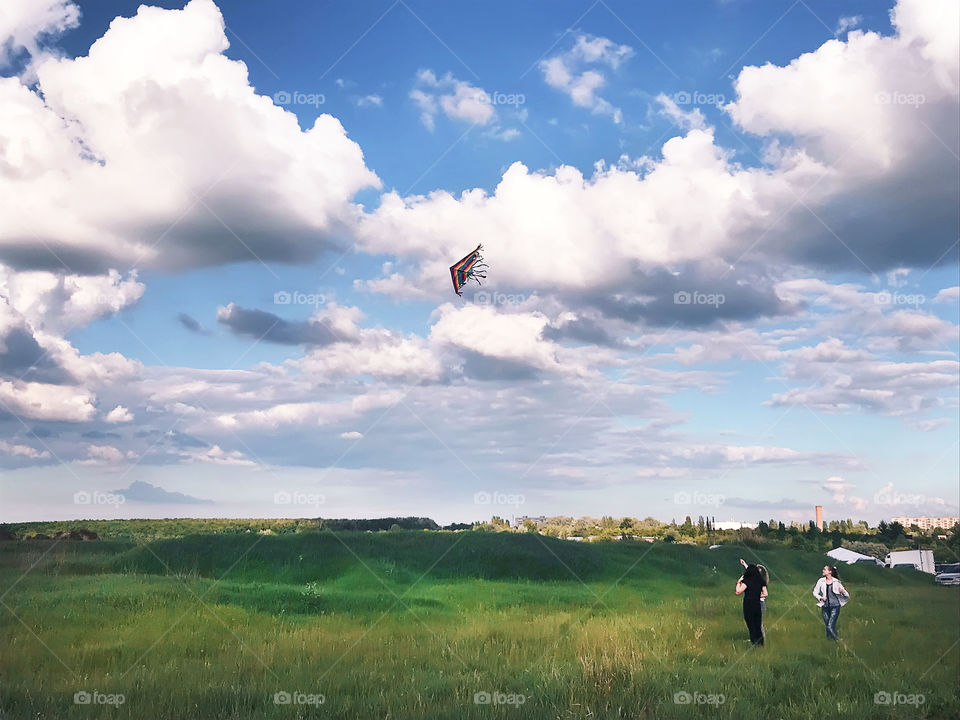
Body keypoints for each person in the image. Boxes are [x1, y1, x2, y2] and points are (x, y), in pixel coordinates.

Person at [813, 565, 850, 640]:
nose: (823, 571)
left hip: (835, 606)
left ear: (830, 572)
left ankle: (838, 640)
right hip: (825, 607)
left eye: (824, 569)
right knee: (828, 626)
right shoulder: (821, 581)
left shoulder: (836, 582)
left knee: (830, 625)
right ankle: (830, 643)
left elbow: (846, 595)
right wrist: (820, 598)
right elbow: (815, 592)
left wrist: (842, 591)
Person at [735, 558, 767, 645]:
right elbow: (765, 593)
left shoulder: (747, 581)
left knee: (751, 625)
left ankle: (754, 642)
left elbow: (738, 591)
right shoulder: (761, 581)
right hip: (757, 605)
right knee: (758, 625)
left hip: (748, 605)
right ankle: (761, 643)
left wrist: (739, 582)